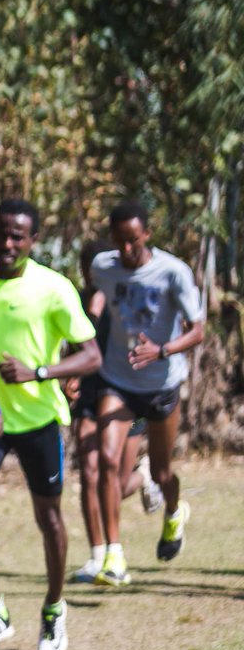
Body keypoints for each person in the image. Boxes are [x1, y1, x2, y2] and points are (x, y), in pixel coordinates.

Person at [0, 198, 99, 650]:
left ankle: (54, 609)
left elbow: (90, 355)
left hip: (38, 420)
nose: (8, 243)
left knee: (49, 519)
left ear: (33, 240)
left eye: (18, 235)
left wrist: (39, 372)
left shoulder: (54, 289)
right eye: (2, 233)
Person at [91, 202, 205, 573]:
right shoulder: (103, 267)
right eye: (120, 241)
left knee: (161, 473)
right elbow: (98, 297)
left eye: (133, 241)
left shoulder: (173, 272)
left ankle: (173, 511)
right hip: (118, 380)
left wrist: (163, 350)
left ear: (147, 235)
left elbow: (197, 330)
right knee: (106, 461)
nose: (126, 250)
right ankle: (114, 554)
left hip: (161, 383)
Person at [69, 238, 158, 586]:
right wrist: (69, 374)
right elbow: (74, 342)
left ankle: (144, 478)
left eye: (95, 267)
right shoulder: (76, 299)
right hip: (91, 394)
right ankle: (98, 556)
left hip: (127, 395)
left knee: (116, 482)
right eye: (85, 267)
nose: (90, 274)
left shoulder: (127, 298)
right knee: (90, 474)